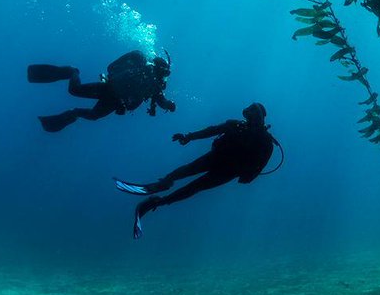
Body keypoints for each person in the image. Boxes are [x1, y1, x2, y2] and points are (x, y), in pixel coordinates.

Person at [114, 101, 283, 238]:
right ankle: (163, 184)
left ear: (262, 118)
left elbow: (260, 164)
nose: (252, 116)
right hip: (216, 159)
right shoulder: (236, 125)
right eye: (250, 112)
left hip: (228, 171)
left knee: (194, 187)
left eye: (255, 113)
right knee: (188, 171)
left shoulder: (265, 141)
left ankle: (158, 201)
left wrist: (248, 176)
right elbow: (211, 131)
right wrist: (188, 137)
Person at [27, 50, 175, 133]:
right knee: (74, 90)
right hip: (109, 88)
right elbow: (113, 67)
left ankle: (73, 113)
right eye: (162, 73)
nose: (162, 77)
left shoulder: (156, 85)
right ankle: (72, 71)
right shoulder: (142, 67)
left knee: (93, 116)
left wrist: (168, 104)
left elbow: (160, 99)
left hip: (117, 102)